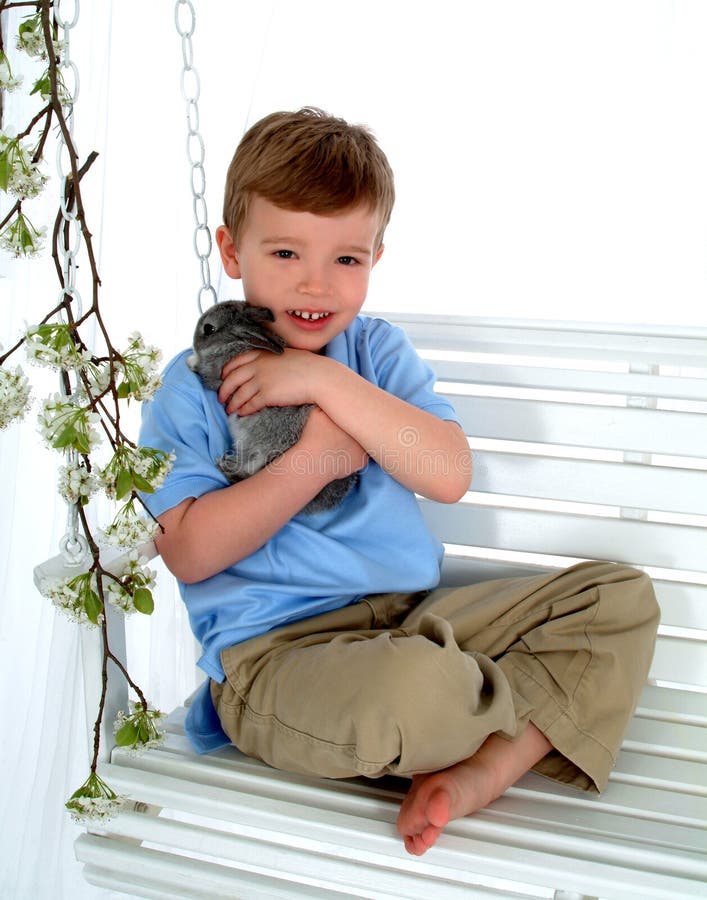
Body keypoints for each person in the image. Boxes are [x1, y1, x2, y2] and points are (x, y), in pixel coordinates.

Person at [139, 107, 660, 856]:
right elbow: (188, 552)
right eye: (285, 252)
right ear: (230, 249)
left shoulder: (373, 352)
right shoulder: (193, 386)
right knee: (420, 691)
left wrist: (319, 378)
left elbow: (446, 473)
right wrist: (321, 453)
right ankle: (499, 712)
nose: (315, 282)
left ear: (376, 257)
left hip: (415, 617)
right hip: (278, 658)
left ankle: (490, 764)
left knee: (617, 597)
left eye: (345, 260)